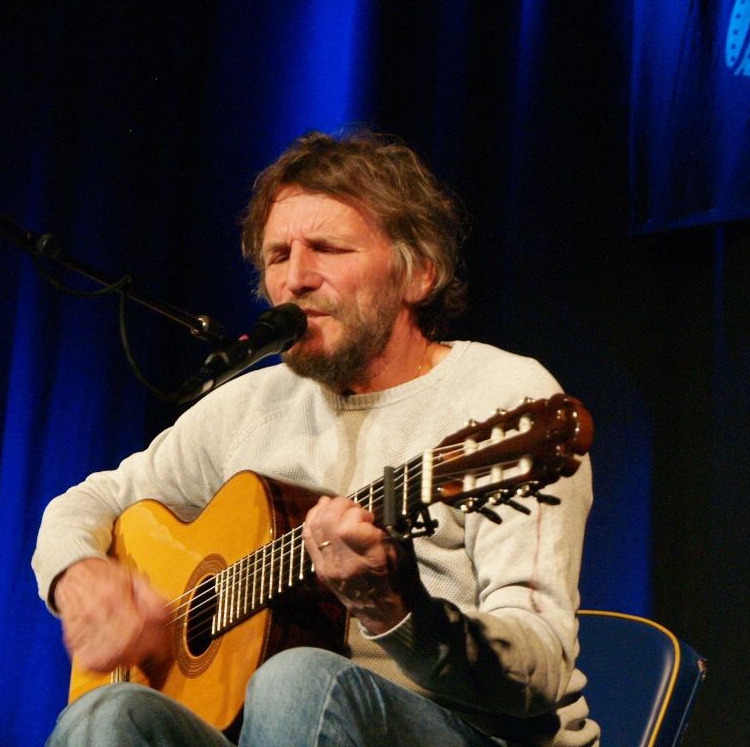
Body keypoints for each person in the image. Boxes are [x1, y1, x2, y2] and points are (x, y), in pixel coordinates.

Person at [32, 131, 598, 747]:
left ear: (418, 274)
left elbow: (542, 667)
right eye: (278, 256)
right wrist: (80, 576)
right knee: (104, 714)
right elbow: (87, 502)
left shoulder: (505, 401)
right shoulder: (250, 405)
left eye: (327, 249)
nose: (296, 279)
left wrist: (395, 609)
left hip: (475, 732)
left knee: (298, 680)